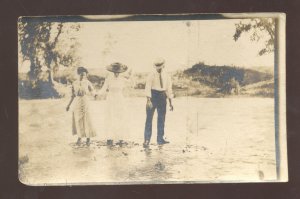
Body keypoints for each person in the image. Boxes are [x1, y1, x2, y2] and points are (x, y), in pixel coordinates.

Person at [143, 58, 174, 148]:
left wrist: (171, 102)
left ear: (163, 66)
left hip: (162, 96)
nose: (158, 68)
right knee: (149, 118)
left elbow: (169, 89)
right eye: (157, 67)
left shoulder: (167, 76)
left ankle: (160, 139)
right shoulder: (151, 75)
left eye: (160, 66)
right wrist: (148, 100)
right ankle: (147, 140)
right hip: (153, 96)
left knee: (161, 118)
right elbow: (147, 87)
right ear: (155, 67)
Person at [99, 62, 130, 146]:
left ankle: (120, 138)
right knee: (110, 117)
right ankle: (110, 138)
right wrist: (97, 94)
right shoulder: (108, 79)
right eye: (115, 72)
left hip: (120, 99)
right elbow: (103, 88)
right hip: (111, 99)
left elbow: (131, 84)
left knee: (120, 117)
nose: (116, 73)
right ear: (113, 71)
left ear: (120, 72)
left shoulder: (123, 79)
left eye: (118, 72)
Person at [66, 67, 97, 146]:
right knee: (78, 119)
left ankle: (88, 138)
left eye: (84, 75)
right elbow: (73, 95)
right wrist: (68, 105)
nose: (83, 76)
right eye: (81, 75)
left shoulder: (87, 82)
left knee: (87, 119)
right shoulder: (74, 83)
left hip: (85, 101)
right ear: (78, 74)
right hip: (77, 102)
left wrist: (95, 95)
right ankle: (79, 137)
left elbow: (92, 91)